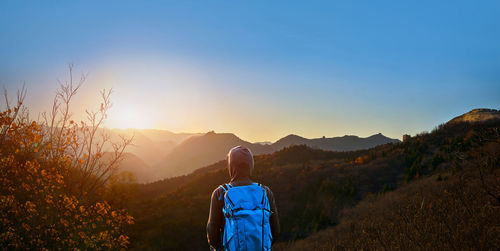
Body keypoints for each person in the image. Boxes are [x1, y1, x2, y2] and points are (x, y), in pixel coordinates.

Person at [207, 146, 280, 250]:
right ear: (251, 166)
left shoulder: (220, 193)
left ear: (231, 166)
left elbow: (212, 232)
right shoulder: (265, 192)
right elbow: (275, 231)